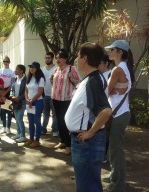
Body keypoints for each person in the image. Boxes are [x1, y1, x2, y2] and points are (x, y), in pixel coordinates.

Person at [65, 42, 112, 192]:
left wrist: (90, 133)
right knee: (87, 183)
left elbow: (106, 111)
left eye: (78, 56)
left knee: (88, 185)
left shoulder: (93, 81)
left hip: (87, 143)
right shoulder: (91, 79)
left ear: (84, 58)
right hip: (85, 143)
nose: (77, 60)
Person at [103, 40, 135, 192]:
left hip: (118, 114)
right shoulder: (124, 67)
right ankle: (114, 177)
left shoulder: (117, 69)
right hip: (120, 113)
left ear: (120, 52)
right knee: (114, 149)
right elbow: (115, 90)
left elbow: (107, 92)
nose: (109, 52)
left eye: (112, 50)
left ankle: (118, 184)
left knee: (116, 150)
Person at [51, 49, 81, 155]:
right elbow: (52, 82)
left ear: (65, 59)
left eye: (60, 57)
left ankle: (69, 145)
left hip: (66, 99)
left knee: (64, 121)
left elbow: (80, 83)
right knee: (58, 121)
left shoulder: (71, 69)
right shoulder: (56, 70)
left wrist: (72, 79)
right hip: (55, 98)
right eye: (57, 58)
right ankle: (63, 141)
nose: (57, 60)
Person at [24, 61, 45, 148]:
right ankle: (31, 138)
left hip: (38, 102)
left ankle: (37, 140)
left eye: (33, 67)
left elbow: (40, 92)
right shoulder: (28, 78)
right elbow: (26, 90)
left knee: (37, 121)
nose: (31, 69)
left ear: (37, 69)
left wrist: (32, 100)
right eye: (30, 67)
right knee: (30, 121)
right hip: (29, 102)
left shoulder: (41, 79)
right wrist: (26, 99)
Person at [41, 52, 58, 136]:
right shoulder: (42, 69)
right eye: (46, 58)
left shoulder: (56, 68)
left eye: (49, 58)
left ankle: (55, 130)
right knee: (45, 113)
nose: (47, 59)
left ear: (52, 59)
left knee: (55, 114)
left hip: (54, 95)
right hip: (44, 95)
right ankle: (43, 129)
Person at [0, 56, 15, 134]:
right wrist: (1, 92)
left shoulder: (12, 71)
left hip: (8, 92)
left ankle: (8, 128)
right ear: (3, 62)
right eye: (4, 61)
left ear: (9, 62)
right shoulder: (0, 71)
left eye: (7, 61)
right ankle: (4, 127)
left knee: (9, 110)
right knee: (2, 111)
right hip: (1, 91)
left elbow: (12, 83)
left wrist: (6, 92)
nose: (6, 63)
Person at [10, 64, 27, 143]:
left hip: (22, 102)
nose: (15, 70)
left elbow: (27, 92)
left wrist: (19, 98)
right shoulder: (15, 79)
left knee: (19, 118)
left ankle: (23, 136)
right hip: (15, 102)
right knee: (16, 118)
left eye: (17, 69)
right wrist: (12, 96)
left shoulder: (26, 79)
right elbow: (12, 89)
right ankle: (18, 133)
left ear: (21, 71)